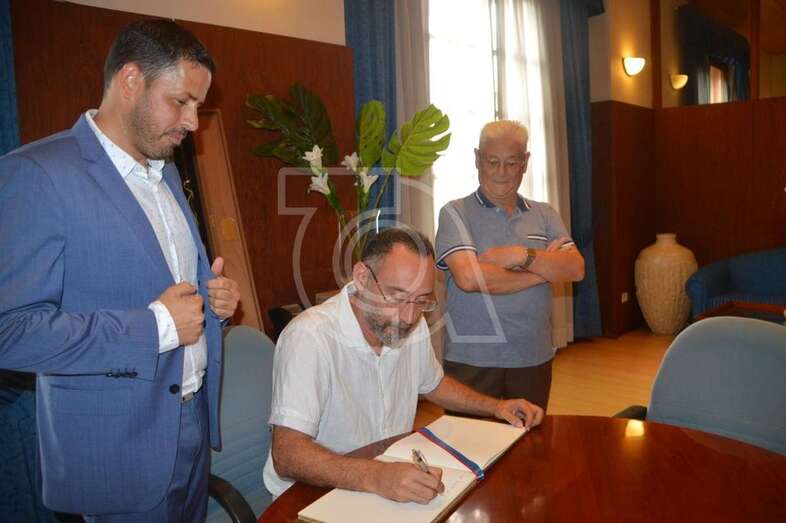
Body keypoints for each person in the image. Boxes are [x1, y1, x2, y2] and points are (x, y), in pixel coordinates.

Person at [0, 19, 240, 521]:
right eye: (182, 102)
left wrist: (211, 301)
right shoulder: (38, 174)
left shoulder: (167, 169)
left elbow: (159, 287)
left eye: (198, 105)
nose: (194, 122)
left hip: (190, 427)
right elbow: (9, 331)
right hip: (119, 450)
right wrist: (154, 326)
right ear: (131, 81)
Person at [263, 228, 544, 503]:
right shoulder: (310, 337)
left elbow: (433, 384)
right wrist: (377, 476)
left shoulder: (411, 323)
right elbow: (287, 455)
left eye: (421, 300)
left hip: (383, 477)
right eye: (397, 297)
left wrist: (495, 407)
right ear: (362, 277)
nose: (408, 317)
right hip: (312, 494)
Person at [434, 120, 584, 412]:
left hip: (532, 356)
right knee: (468, 448)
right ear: (477, 159)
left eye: (511, 162)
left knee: (528, 448)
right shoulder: (455, 212)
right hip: (472, 359)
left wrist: (519, 255)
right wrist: (543, 271)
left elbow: (575, 269)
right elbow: (470, 278)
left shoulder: (544, 214)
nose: (502, 173)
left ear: (525, 163)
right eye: (492, 162)